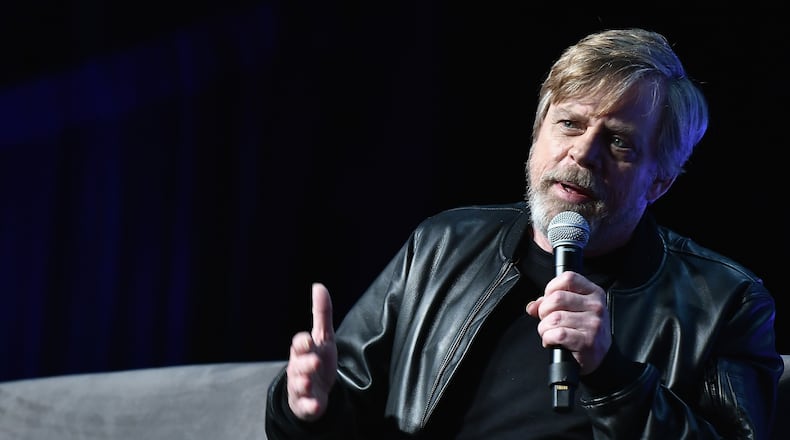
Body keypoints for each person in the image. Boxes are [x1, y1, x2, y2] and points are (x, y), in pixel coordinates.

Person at [265, 27, 784, 439]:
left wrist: (611, 373)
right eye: (570, 124)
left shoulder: (726, 302)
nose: (583, 152)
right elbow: (342, 413)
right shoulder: (442, 244)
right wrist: (307, 408)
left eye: (620, 141)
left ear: (661, 180)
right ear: (537, 136)